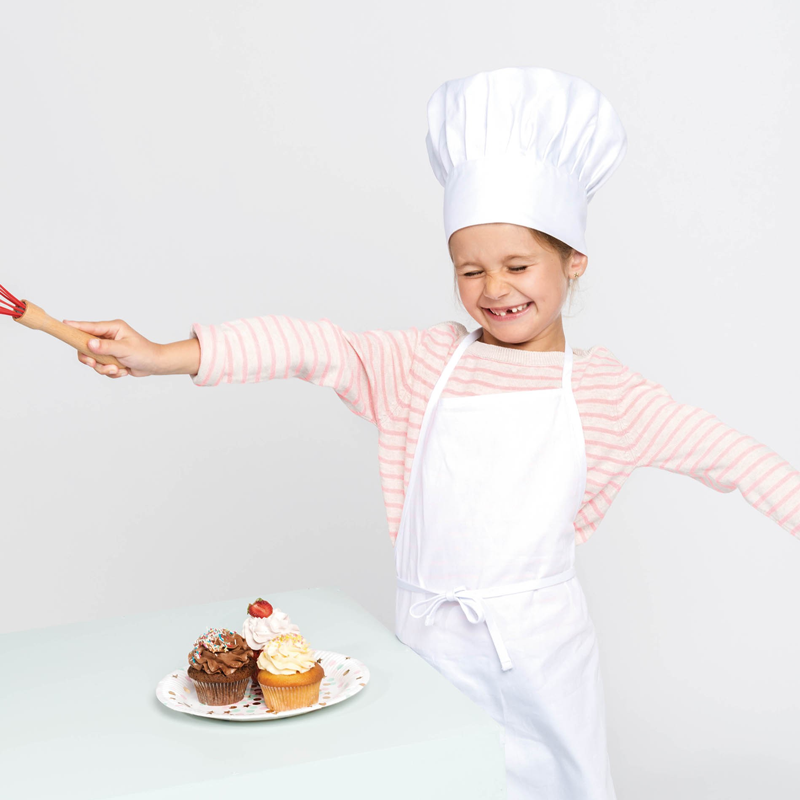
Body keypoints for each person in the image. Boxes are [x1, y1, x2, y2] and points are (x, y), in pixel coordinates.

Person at [63, 67, 800, 800]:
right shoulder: (423, 365)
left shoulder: (606, 393)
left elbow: (733, 458)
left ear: (572, 263)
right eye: (470, 269)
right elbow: (310, 346)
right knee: (438, 779)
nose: (494, 289)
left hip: (540, 654)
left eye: (519, 264)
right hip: (430, 645)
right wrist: (164, 355)